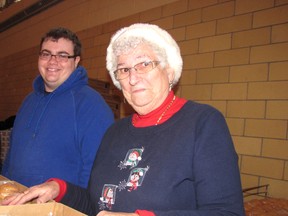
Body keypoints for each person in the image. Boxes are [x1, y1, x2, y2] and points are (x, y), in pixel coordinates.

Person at [2, 23, 245, 216]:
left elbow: (227, 212)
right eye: (124, 69)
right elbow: (96, 205)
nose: (132, 77)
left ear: (169, 71)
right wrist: (59, 187)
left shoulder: (201, 123)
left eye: (144, 64)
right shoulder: (115, 132)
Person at [1, 27, 114, 188]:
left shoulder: (91, 105)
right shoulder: (28, 101)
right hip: (15, 202)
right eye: (46, 54)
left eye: (62, 55)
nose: (52, 61)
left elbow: (96, 170)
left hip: (58, 209)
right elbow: (11, 156)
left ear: (76, 62)